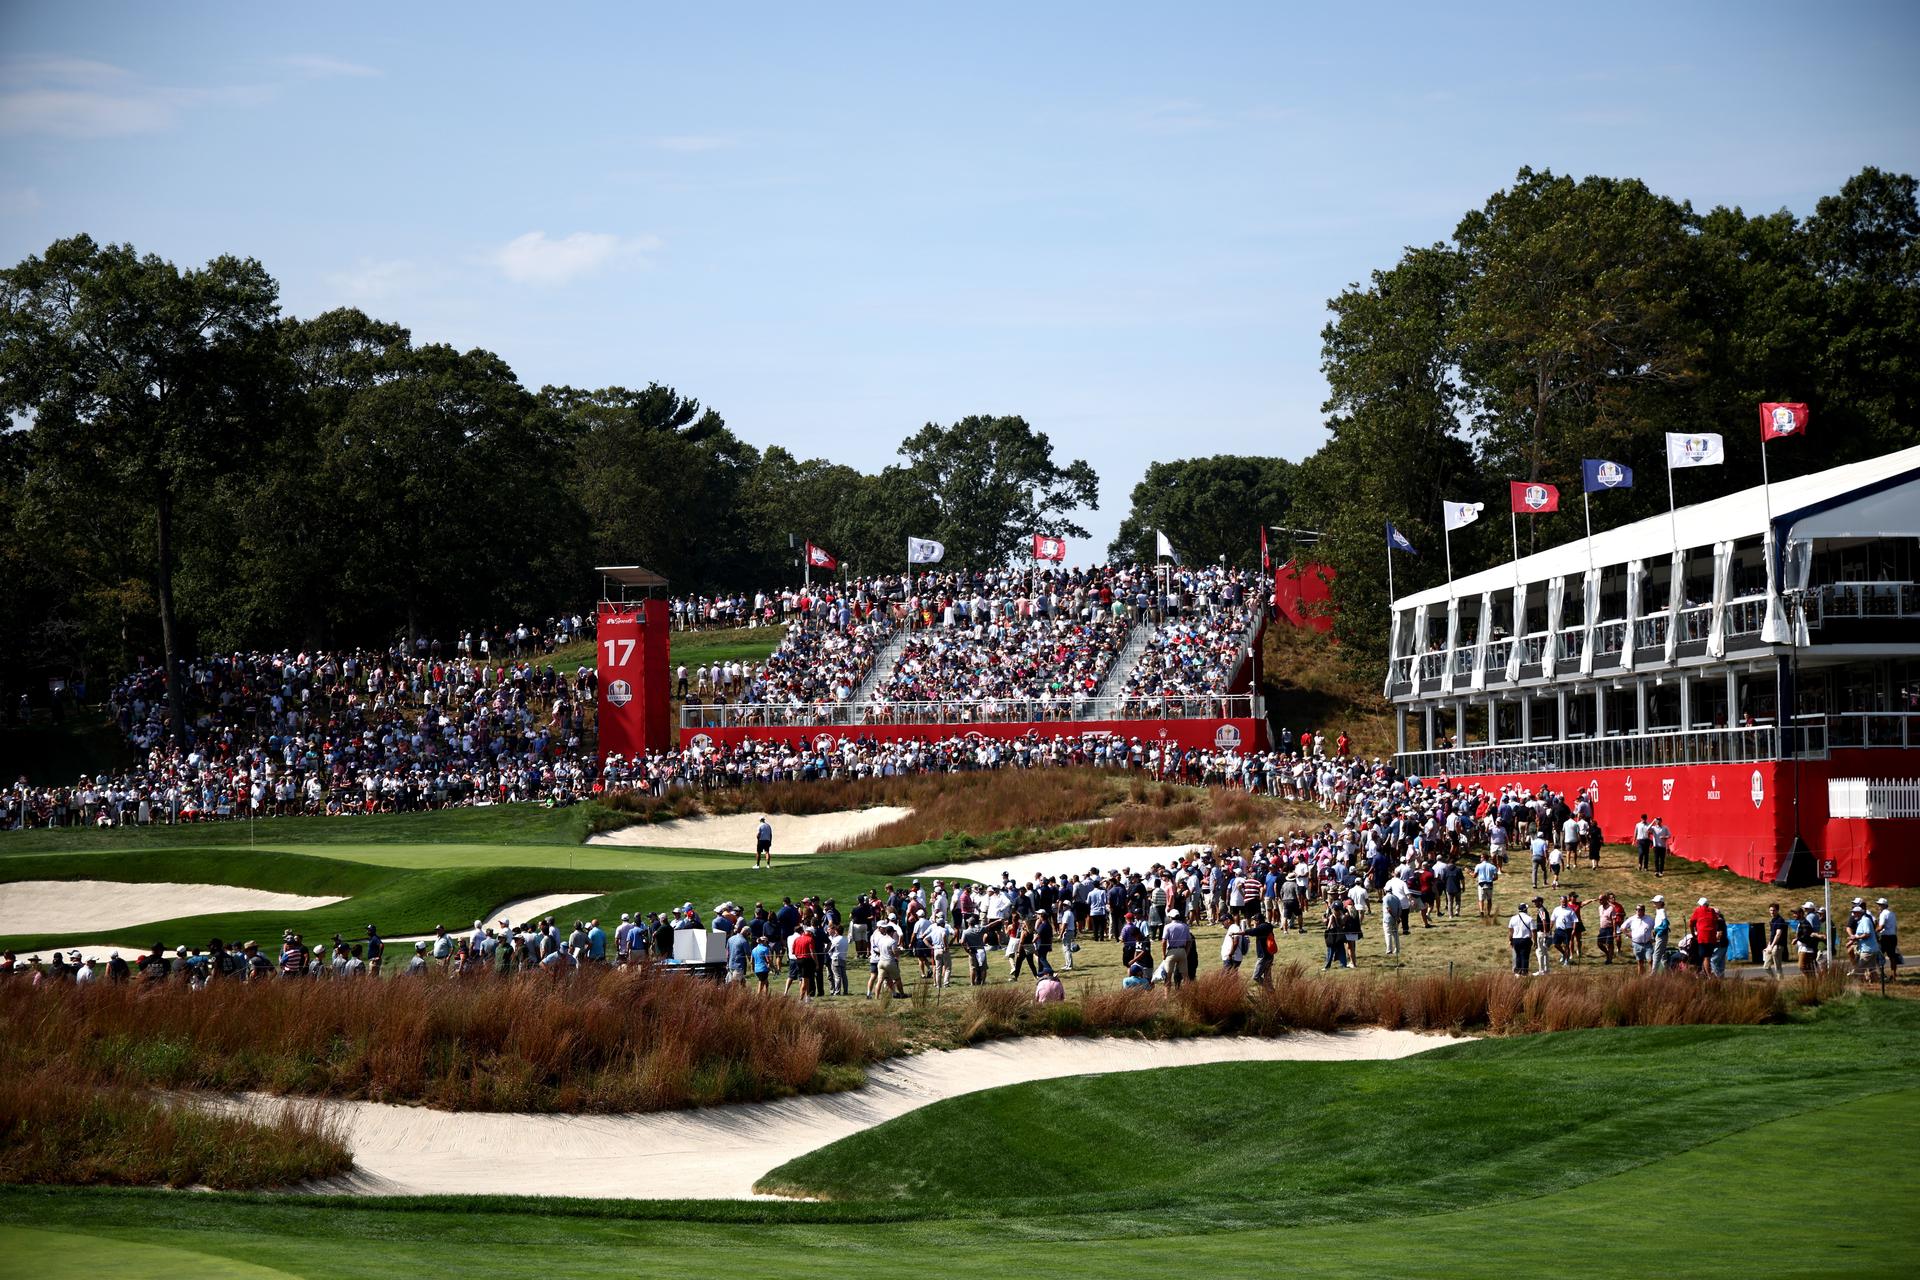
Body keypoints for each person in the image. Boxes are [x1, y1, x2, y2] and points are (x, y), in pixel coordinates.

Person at [1161, 909, 1193, 988]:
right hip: (1182, 951)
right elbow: (1189, 941)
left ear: (1170, 917)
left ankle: (1166, 997)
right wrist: (1186, 951)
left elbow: (1164, 941)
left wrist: (1163, 954)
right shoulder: (1185, 926)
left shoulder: (1167, 927)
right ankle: (1190, 994)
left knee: (1168, 976)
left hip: (1171, 951)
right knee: (1185, 976)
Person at [1624, 903, 1655, 973]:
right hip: (1636, 944)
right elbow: (1623, 927)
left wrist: (1654, 938)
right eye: (1637, 909)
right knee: (1640, 962)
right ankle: (1641, 977)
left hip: (1647, 944)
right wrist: (1628, 934)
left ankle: (1652, 976)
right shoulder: (1632, 919)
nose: (1638, 911)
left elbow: (1655, 929)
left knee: (1650, 960)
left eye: (1640, 910)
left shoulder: (1649, 919)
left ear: (1643, 910)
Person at [1507, 901, 1535, 975]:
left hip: (1516, 940)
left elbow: (1510, 931)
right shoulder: (1530, 919)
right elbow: (1533, 931)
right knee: (1525, 957)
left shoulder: (1513, 918)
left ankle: (1517, 973)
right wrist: (1534, 941)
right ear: (1526, 909)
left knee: (1518, 956)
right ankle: (1524, 973)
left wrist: (1510, 940)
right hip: (1525, 940)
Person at [1763, 903, 1789, 979]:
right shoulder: (1773, 920)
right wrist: (1768, 946)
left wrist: (1772, 946)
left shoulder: (1780, 920)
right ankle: (1774, 981)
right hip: (1771, 945)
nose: (1772, 912)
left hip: (1778, 946)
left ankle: (1780, 982)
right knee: (1766, 967)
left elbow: (1778, 934)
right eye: (1770, 910)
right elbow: (1772, 935)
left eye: (1774, 910)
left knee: (1777, 967)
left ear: (1777, 910)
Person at [1876, 898, 1900, 976]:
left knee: (1879, 955)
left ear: (1883, 906)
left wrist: (1874, 932)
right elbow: (1895, 927)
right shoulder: (1892, 913)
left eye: (1879, 905)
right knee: (1892, 957)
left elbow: (1881, 926)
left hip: (1885, 937)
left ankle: (1882, 974)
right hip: (1893, 936)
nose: (1878, 906)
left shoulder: (1883, 914)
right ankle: (1894, 975)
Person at [1474, 853, 1500, 919]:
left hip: (1481, 884)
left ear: (1483, 858)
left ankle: (1481, 910)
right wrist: (1491, 879)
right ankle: (1488, 913)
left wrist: (1469, 872)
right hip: (1489, 884)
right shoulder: (1492, 866)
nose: (1480, 858)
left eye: (1481, 857)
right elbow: (1496, 877)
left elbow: (1474, 876)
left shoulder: (1478, 866)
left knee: (1481, 899)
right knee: (1489, 900)